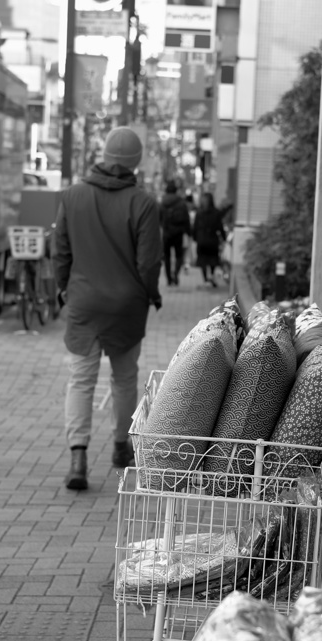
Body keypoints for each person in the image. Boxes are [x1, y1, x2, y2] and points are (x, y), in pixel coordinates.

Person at [54, 127, 162, 490]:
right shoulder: (143, 203)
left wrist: (61, 288)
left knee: (81, 379)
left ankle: (78, 456)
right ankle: (120, 447)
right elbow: (149, 263)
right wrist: (152, 293)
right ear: (136, 161)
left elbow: (62, 254)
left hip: (83, 302)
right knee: (124, 377)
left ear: (103, 154)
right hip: (126, 306)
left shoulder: (71, 196)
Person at [192, 192, 228, 288]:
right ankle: (211, 275)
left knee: (202, 260)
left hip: (202, 240)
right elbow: (220, 227)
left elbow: (195, 227)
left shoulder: (199, 213)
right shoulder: (216, 212)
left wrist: (195, 238)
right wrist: (224, 238)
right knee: (212, 260)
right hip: (212, 240)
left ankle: (205, 278)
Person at [159, 181, 190, 285]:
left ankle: (168, 278)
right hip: (178, 232)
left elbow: (159, 218)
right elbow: (186, 218)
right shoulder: (181, 202)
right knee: (179, 255)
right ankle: (175, 273)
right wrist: (188, 232)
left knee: (166, 256)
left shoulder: (162, 202)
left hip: (166, 232)